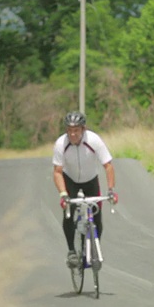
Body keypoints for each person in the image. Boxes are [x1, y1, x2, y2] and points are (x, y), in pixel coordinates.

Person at [52, 111, 118, 268]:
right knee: (69, 211)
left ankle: (93, 250)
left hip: (90, 180)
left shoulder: (94, 140)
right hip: (70, 180)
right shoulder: (61, 144)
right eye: (69, 130)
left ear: (83, 129)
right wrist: (63, 194)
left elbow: (108, 165)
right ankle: (71, 251)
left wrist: (110, 190)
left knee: (97, 215)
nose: (73, 134)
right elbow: (57, 172)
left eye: (76, 130)